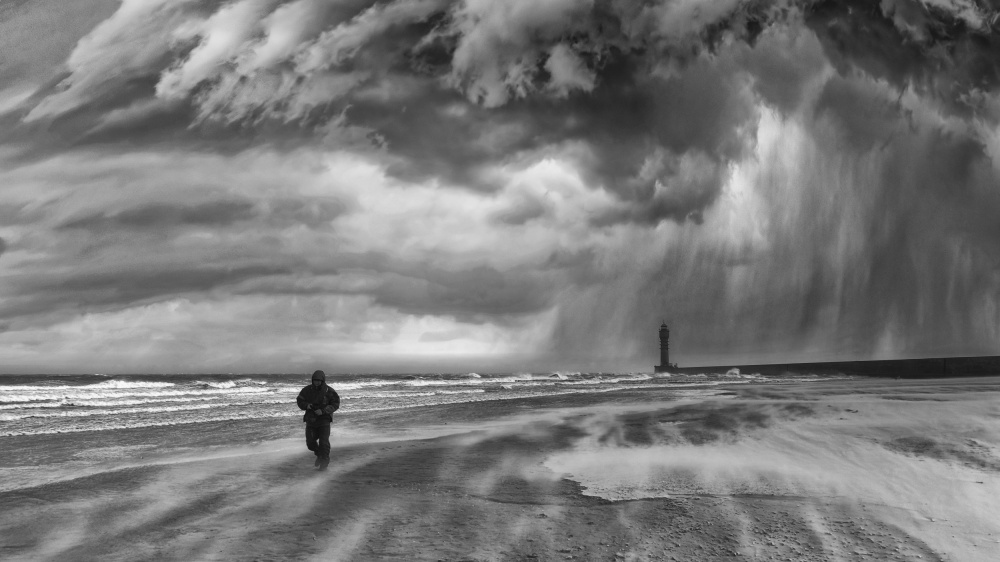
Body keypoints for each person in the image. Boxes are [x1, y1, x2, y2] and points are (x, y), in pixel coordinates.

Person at [296, 370, 340, 470]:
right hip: (311, 420)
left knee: (324, 443)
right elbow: (299, 401)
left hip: (324, 420)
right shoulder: (306, 390)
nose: (317, 382)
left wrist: (324, 411)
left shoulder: (329, 391)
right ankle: (319, 455)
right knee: (310, 444)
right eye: (315, 380)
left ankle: (324, 461)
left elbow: (336, 404)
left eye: (319, 381)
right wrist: (307, 406)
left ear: (323, 380)